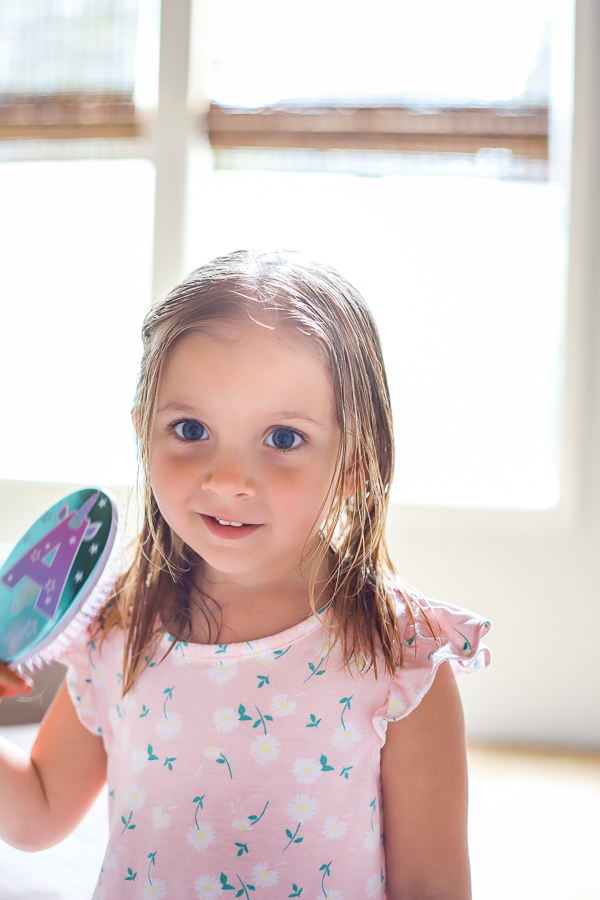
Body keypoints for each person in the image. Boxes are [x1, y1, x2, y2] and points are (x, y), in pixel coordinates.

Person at [0, 249, 490, 899]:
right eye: (191, 428)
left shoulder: (401, 657)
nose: (228, 479)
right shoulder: (120, 628)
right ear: (143, 432)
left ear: (355, 462)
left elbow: (432, 885)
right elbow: (36, 811)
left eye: (283, 439)